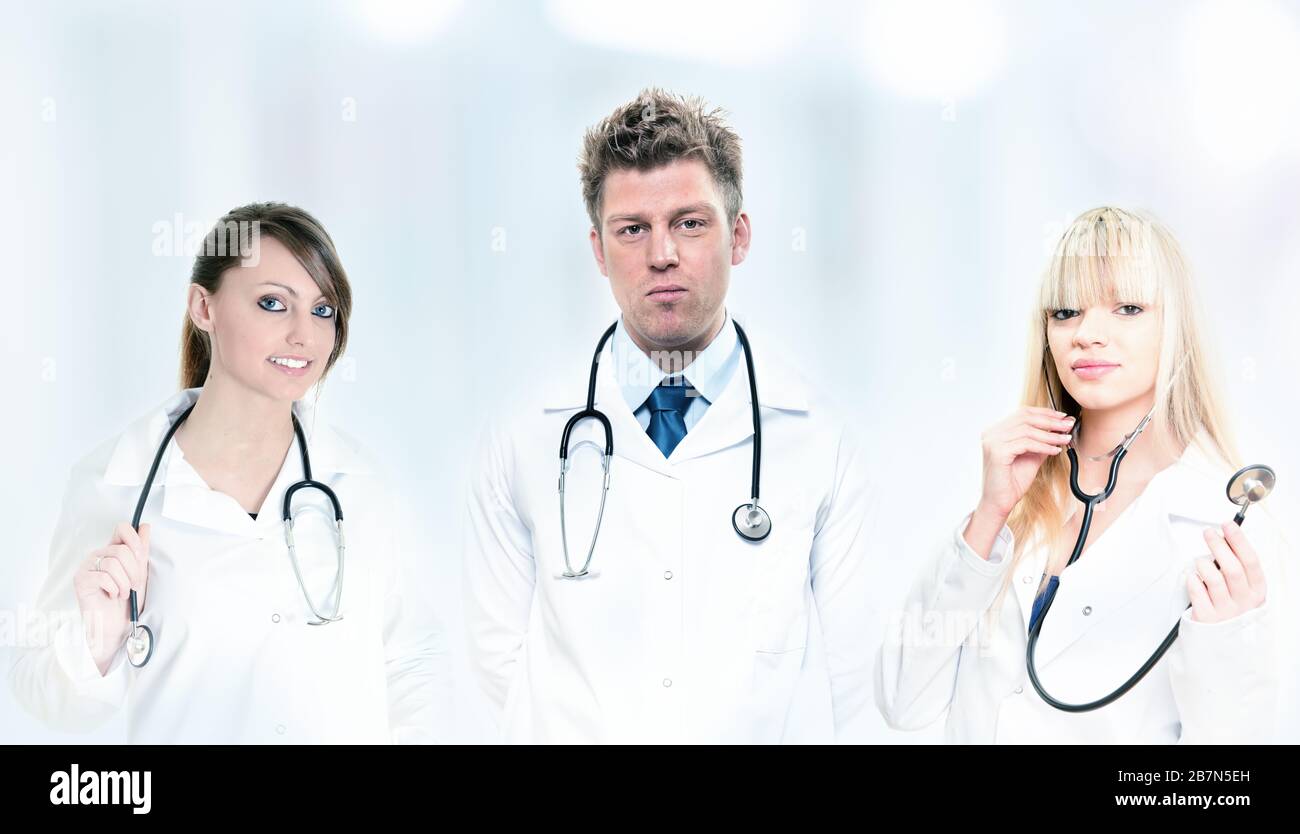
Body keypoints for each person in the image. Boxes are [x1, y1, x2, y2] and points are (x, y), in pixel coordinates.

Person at [463, 89, 877, 743]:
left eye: (689, 223)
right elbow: (495, 672)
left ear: (738, 235)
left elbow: (854, 683)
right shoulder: (528, 435)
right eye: (633, 229)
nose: (662, 254)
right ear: (598, 250)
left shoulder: (816, 436)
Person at [9, 202, 447, 743]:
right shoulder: (115, 483)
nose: (304, 336)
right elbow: (41, 698)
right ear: (203, 307)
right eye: (272, 303)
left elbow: (412, 663)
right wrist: (97, 644)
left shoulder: (358, 484)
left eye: (323, 310)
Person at [876, 206, 1289, 743]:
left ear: (1176, 327)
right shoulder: (1014, 503)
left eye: (1128, 307)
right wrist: (986, 521)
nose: (1088, 334)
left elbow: (1223, 780)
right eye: (1066, 311)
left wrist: (1230, 646)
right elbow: (903, 700)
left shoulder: (1227, 531)